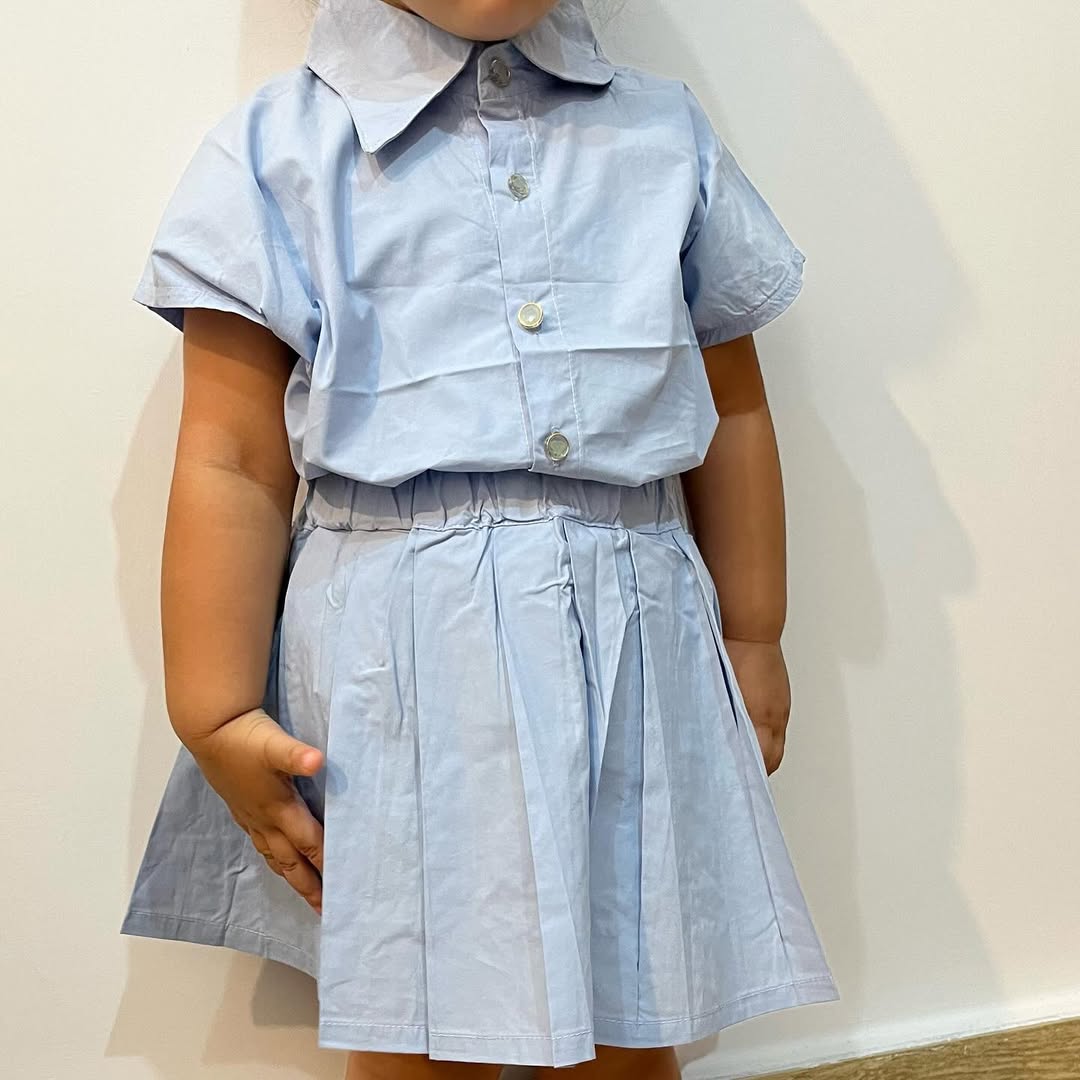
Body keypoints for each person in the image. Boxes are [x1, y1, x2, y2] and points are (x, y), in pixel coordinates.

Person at [120, 1, 839, 1076]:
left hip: (635, 656)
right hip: (403, 677)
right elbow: (232, 458)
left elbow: (730, 404)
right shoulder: (278, 154)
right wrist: (214, 708)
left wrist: (754, 632)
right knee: (422, 1032)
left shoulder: (660, 134)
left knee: (636, 1014)